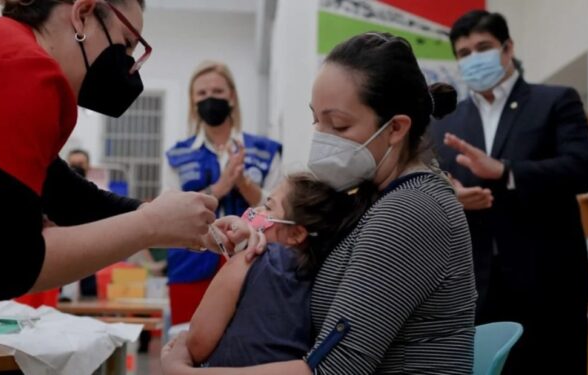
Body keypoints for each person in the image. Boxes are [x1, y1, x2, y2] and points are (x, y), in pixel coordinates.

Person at [162, 31, 476, 375]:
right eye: (317, 121)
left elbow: (334, 370)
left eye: (338, 125)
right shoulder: (375, 197)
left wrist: (188, 373)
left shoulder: (409, 211)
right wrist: (260, 233)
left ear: (396, 128)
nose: (322, 139)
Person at [0, 0, 219, 301]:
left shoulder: (1, 51)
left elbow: (65, 196)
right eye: (127, 44)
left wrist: (180, 222)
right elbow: (5, 267)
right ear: (82, 15)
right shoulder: (26, 69)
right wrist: (152, 225)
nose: (129, 67)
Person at [429, 10, 588, 374]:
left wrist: (506, 172)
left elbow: (583, 169)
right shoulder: (446, 123)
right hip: (474, 288)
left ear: (507, 49)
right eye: (463, 53)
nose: (473, 58)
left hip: (550, 284)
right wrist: (451, 197)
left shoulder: (554, 101)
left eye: (483, 47)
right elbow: (428, 185)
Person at [186, 173, 374, 367]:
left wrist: (175, 353)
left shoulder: (247, 261)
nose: (255, 210)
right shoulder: (325, 275)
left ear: (296, 233)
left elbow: (197, 345)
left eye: (268, 207)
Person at [165, 61, 283, 325]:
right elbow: (169, 211)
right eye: (202, 94)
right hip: (191, 262)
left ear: (232, 96)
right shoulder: (177, 155)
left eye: (217, 92)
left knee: (247, 343)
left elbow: (278, 209)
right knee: (188, 342)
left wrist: (243, 182)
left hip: (254, 260)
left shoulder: (265, 151)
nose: (210, 99)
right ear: (192, 101)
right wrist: (219, 188)